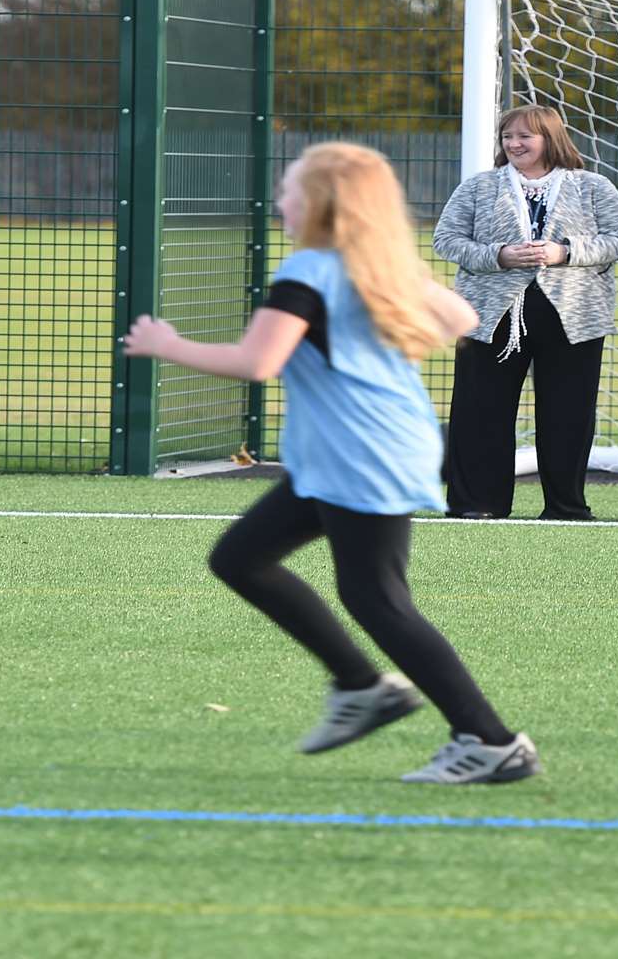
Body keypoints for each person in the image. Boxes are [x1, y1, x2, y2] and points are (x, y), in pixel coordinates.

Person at [123, 142, 540, 784]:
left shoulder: (309, 273)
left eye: (291, 190)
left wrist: (168, 345)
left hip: (361, 451)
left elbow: (257, 362)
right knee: (241, 559)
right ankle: (361, 684)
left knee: (377, 600)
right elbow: (461, 316)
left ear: (322, 204)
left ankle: (489, 740)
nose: (281, 201)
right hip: (363, 447)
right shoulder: (373, 266)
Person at [433, 104, 618, 520]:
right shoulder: (479, 187)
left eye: (525, 136)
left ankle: (566, 506)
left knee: (568, 412)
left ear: (551, 139)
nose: (515, 143)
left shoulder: (592, 186)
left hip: (573, 315)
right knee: (480, 410)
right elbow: (447, 239)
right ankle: (476, 504)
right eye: (508, 136)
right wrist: (499, 255)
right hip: (490, 315)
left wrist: (566, 252)